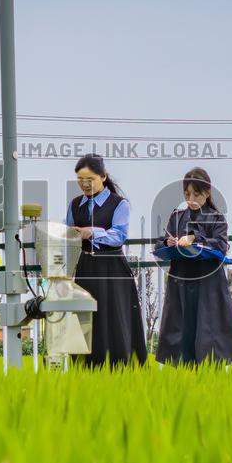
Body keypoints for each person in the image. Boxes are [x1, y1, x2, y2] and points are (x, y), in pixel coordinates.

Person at [156, 167, 232, 366]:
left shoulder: (217, 218)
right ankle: (183, 372)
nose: (191, 199)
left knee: (208, 329)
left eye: (196, 194)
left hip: (208, 282)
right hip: (181, 279)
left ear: (207, 193)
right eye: (187, 194)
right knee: (182, 328)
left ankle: (210, 373)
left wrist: (195, 238)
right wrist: (168, 243)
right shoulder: (176, 217)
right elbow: (160, 243)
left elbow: (221, 246)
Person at [66, 154, 147, 367]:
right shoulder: (75, 205)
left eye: (89, 179)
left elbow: (119, 236)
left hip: (112, 268)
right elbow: (68, 235)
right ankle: (86, 367)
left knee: (114, 318)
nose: (85, 184)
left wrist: (91, 233)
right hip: (85, 267)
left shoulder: (119, 204)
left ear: (103, 176)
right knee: (86, 317)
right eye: (80, 180)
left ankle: (120, 367)